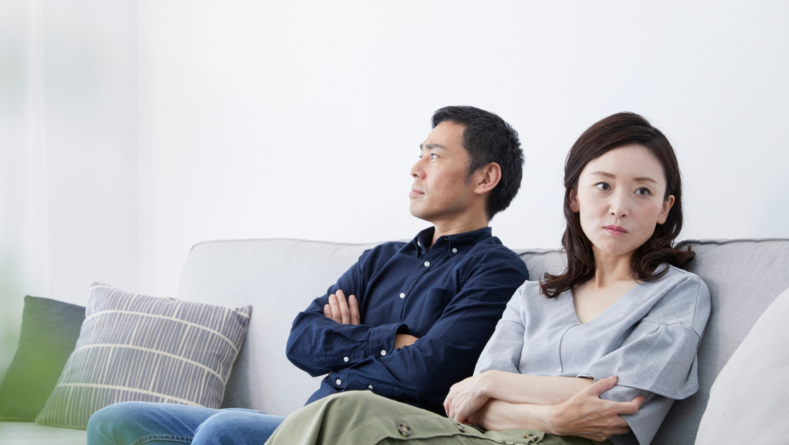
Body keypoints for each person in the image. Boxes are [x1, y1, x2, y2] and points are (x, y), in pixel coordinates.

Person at [86, 106, 529, 445]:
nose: (416, 168)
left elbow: (428, 373)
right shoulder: (382, 259)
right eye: (419, 154)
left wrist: (352, 337)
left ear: (485, 177)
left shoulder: (496, 269)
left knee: (223, 431)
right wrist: (387, 339)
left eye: (435, 155)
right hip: (306, 418)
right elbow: (301, 340)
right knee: (113, 420)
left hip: (367, 431)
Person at [264, 112, 711, 445]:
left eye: (643, 191)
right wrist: (552, 413)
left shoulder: (678, 294)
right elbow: (465, 405)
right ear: (574, 197)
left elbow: (614, 407)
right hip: (481, 440)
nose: (619, 206)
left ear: (666, 207)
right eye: (603, 186)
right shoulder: (532, 297)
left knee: (345, 413)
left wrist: (494, 384)